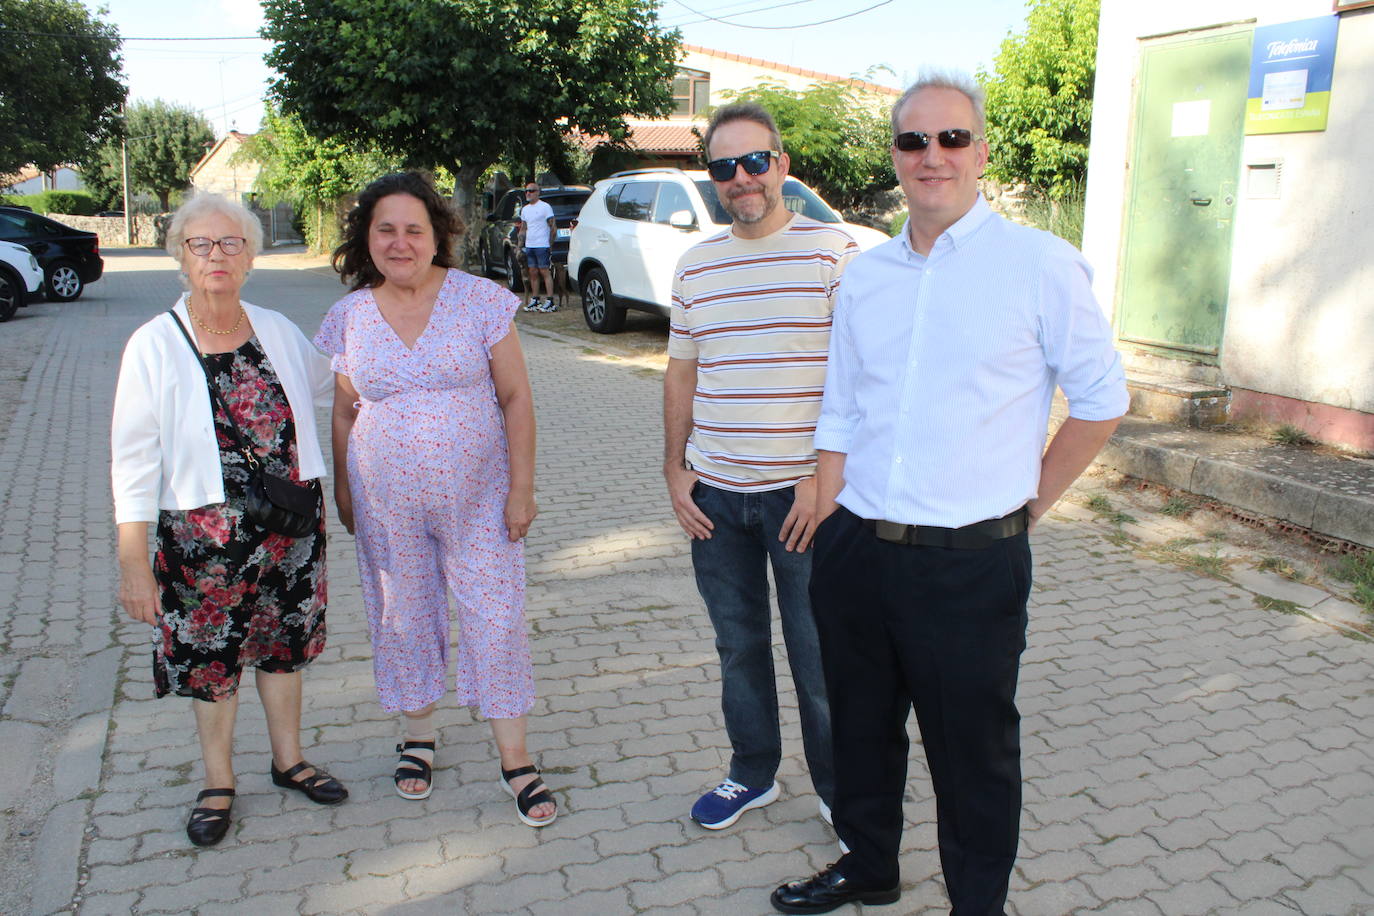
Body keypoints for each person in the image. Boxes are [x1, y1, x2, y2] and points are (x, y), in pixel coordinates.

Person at [771, 72, 1129, 915]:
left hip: (972, 564)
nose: (932, 156)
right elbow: (842, 403)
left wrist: (1027, 507)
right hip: (857, 547)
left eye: (951, 139)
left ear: (982, 152)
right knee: (860, 728)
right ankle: (870, 866)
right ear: (895, 155)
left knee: (973, 754)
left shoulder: (1037, 264)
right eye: (913, 141)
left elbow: (1103, 400)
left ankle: (977, 903)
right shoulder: (865, 277)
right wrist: (826, 497)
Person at [314, 171, 555, 826]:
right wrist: (343, 491)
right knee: (404, 616)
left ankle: (516, 760)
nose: (399, 242)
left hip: (482, 501)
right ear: (366, 239)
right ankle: (416, 738)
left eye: (413, 229)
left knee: (497, 617)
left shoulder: (481, 300)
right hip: (386, 506)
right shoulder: (350, 316)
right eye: (384, 229)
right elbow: (342, 413)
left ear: (437, 235)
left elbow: (516, 399)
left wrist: (523, 488)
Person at [112, 194, 346, 849]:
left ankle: (289, 759)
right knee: (210, 660)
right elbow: (131, 459)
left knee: (284, 648)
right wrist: (133, 562)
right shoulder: (154, 343)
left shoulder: (274, 326)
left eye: (230, 244)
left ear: (250, 254)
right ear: (181, 256)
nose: (217, 256)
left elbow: (335, 384)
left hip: (290, 530)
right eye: (201, 245)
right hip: (199, 541)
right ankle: (218, 781)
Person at [664, 103, 859, 832]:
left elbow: (861, 376)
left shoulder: (834, 254)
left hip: (804, 499)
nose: (740, 178)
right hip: (715, 496)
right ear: (713, 179)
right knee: (738, 646)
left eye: (753, 162)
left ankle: (843, 791)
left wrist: (823, 478)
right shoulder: (697, 265)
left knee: (820, 655)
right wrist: (674, 468)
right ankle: (752, 773)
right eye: (724, 167)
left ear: (780, 165)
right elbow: (680, 374)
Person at [517, 182, 557, 312]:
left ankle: (550, 300)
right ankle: (535, 299)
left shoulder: (545, 207)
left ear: (538, 192)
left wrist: (550, 245)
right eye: (526, 191)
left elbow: (553, 227)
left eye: (532, 191)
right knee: (532, 272)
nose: (528, 193)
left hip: (542, 245)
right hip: (530, 245)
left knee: (544, 271)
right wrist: (519, 246)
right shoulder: (525, 209)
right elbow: (523, 228)